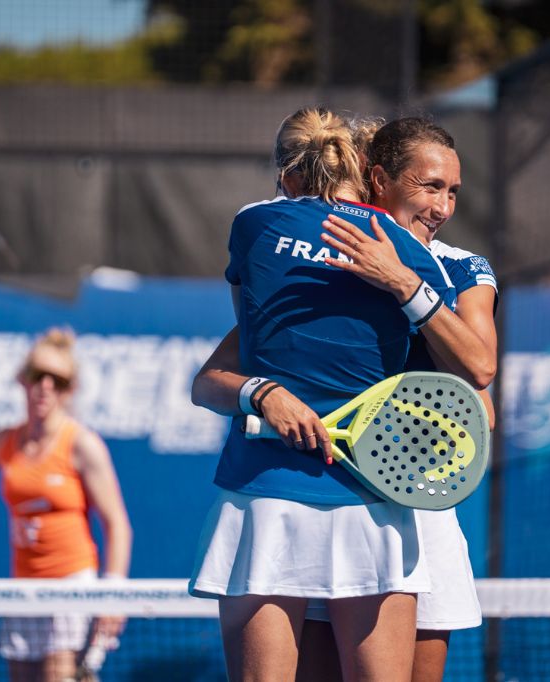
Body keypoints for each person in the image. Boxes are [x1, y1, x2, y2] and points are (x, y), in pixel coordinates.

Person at [188, 107, 458, 682]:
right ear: (365, 172)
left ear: (286, 175)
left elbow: (248, 338)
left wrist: (264, 389)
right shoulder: (409, 250)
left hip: (266, 496)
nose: (442, 204)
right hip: (372, 501)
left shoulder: (254, 223)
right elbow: (471, 368)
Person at [312, 116, 498, 682]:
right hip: (328, 498)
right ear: (379, 180)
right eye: (430, 186)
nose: (443, 207)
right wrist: (262, 394)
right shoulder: (323, 254)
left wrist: (402, 283)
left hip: (422, 507)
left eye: (453, 192)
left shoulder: (464, 269)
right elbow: (224, 372)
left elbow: (480, 380)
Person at [0, 328, 132, 682]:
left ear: (70, 390)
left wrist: (112, 594)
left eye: (59, 381)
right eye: (38, 375)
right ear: (22, 380)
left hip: (70, 587)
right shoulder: (6, 441)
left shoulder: (82, 444)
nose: (46, 387)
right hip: (23, 590)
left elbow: (117, 524)